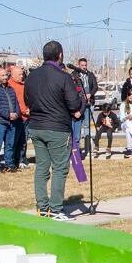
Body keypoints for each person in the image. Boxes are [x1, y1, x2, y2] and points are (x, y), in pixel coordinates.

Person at [24, 40, 83, 219]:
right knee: (59, 168)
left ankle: (42, 207)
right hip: (57, 128)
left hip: (36, 127)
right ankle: (56, 209)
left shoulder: (31, 77)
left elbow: (27, 100)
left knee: (42, 167)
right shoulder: (63, 77)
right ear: (60, 56)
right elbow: (73, 104)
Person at [0, 63, 23, 170]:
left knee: (10, 143)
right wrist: (8, 115)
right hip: (0, 121)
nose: (5, 77)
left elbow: (16, 103)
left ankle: (9, 164)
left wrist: (17, 114)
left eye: (6, 75)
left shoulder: (11, 89)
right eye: (2, 75)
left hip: (13, 120)